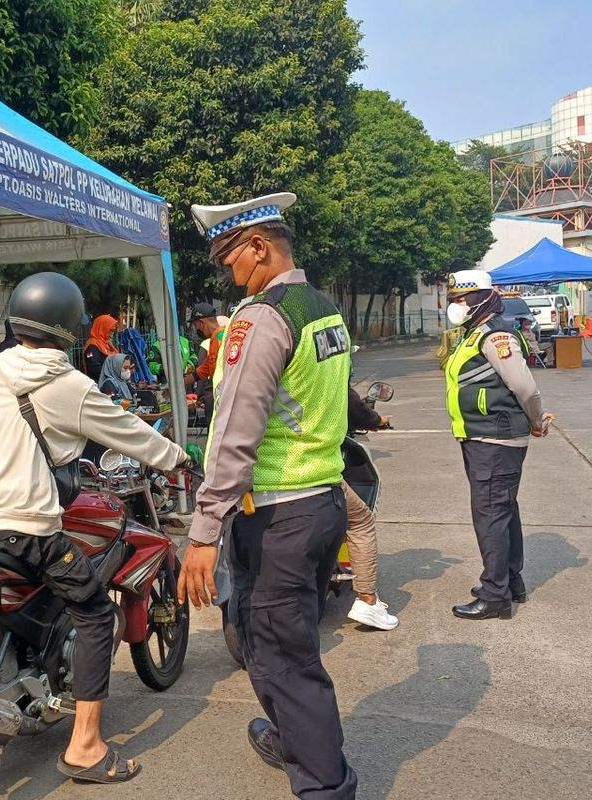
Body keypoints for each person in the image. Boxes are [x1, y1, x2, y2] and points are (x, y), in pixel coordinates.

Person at [0, 272, 188, 784]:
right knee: (97, 615)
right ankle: (84, 747)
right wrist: (177, 457)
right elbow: (130, 434)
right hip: (27, 528)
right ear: (66, 328)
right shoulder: (69, 385)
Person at [178, 192, 357, 800]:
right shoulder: (325, 309)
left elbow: (235, 429)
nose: (229, 274)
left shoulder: (261, 317)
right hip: (321, 502)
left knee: (284, 654)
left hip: (279, 512)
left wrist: (203, 531)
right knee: (270, 638)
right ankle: (292, 736)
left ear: (258, 247)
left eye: (230, 259)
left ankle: (325, 786)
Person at [443, 270, 555, 620]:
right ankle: (510, 582)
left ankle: (495, 596)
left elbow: (525, 387)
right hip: (482, 436)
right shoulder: (474, 334)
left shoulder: (496, 336)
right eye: (454, 300)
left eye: (462, 299)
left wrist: (537, 422)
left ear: (481, 299)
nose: (456, 306)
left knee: (490, 514)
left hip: (496, 437)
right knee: (502, 509)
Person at [342, 384, 399, 630]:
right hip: (308, 466)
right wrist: (375, 419)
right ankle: (367, 600)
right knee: (361, 520)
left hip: (250, 472)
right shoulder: (323, 351)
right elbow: (351, 404)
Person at [83, 314, 121, 380]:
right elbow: (93, 368)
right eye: (110, 330)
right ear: (102, 328)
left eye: (113, 331)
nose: (112, 333)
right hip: (100, 384)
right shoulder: (92, 346)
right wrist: (113, 371)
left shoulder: (107, 343)